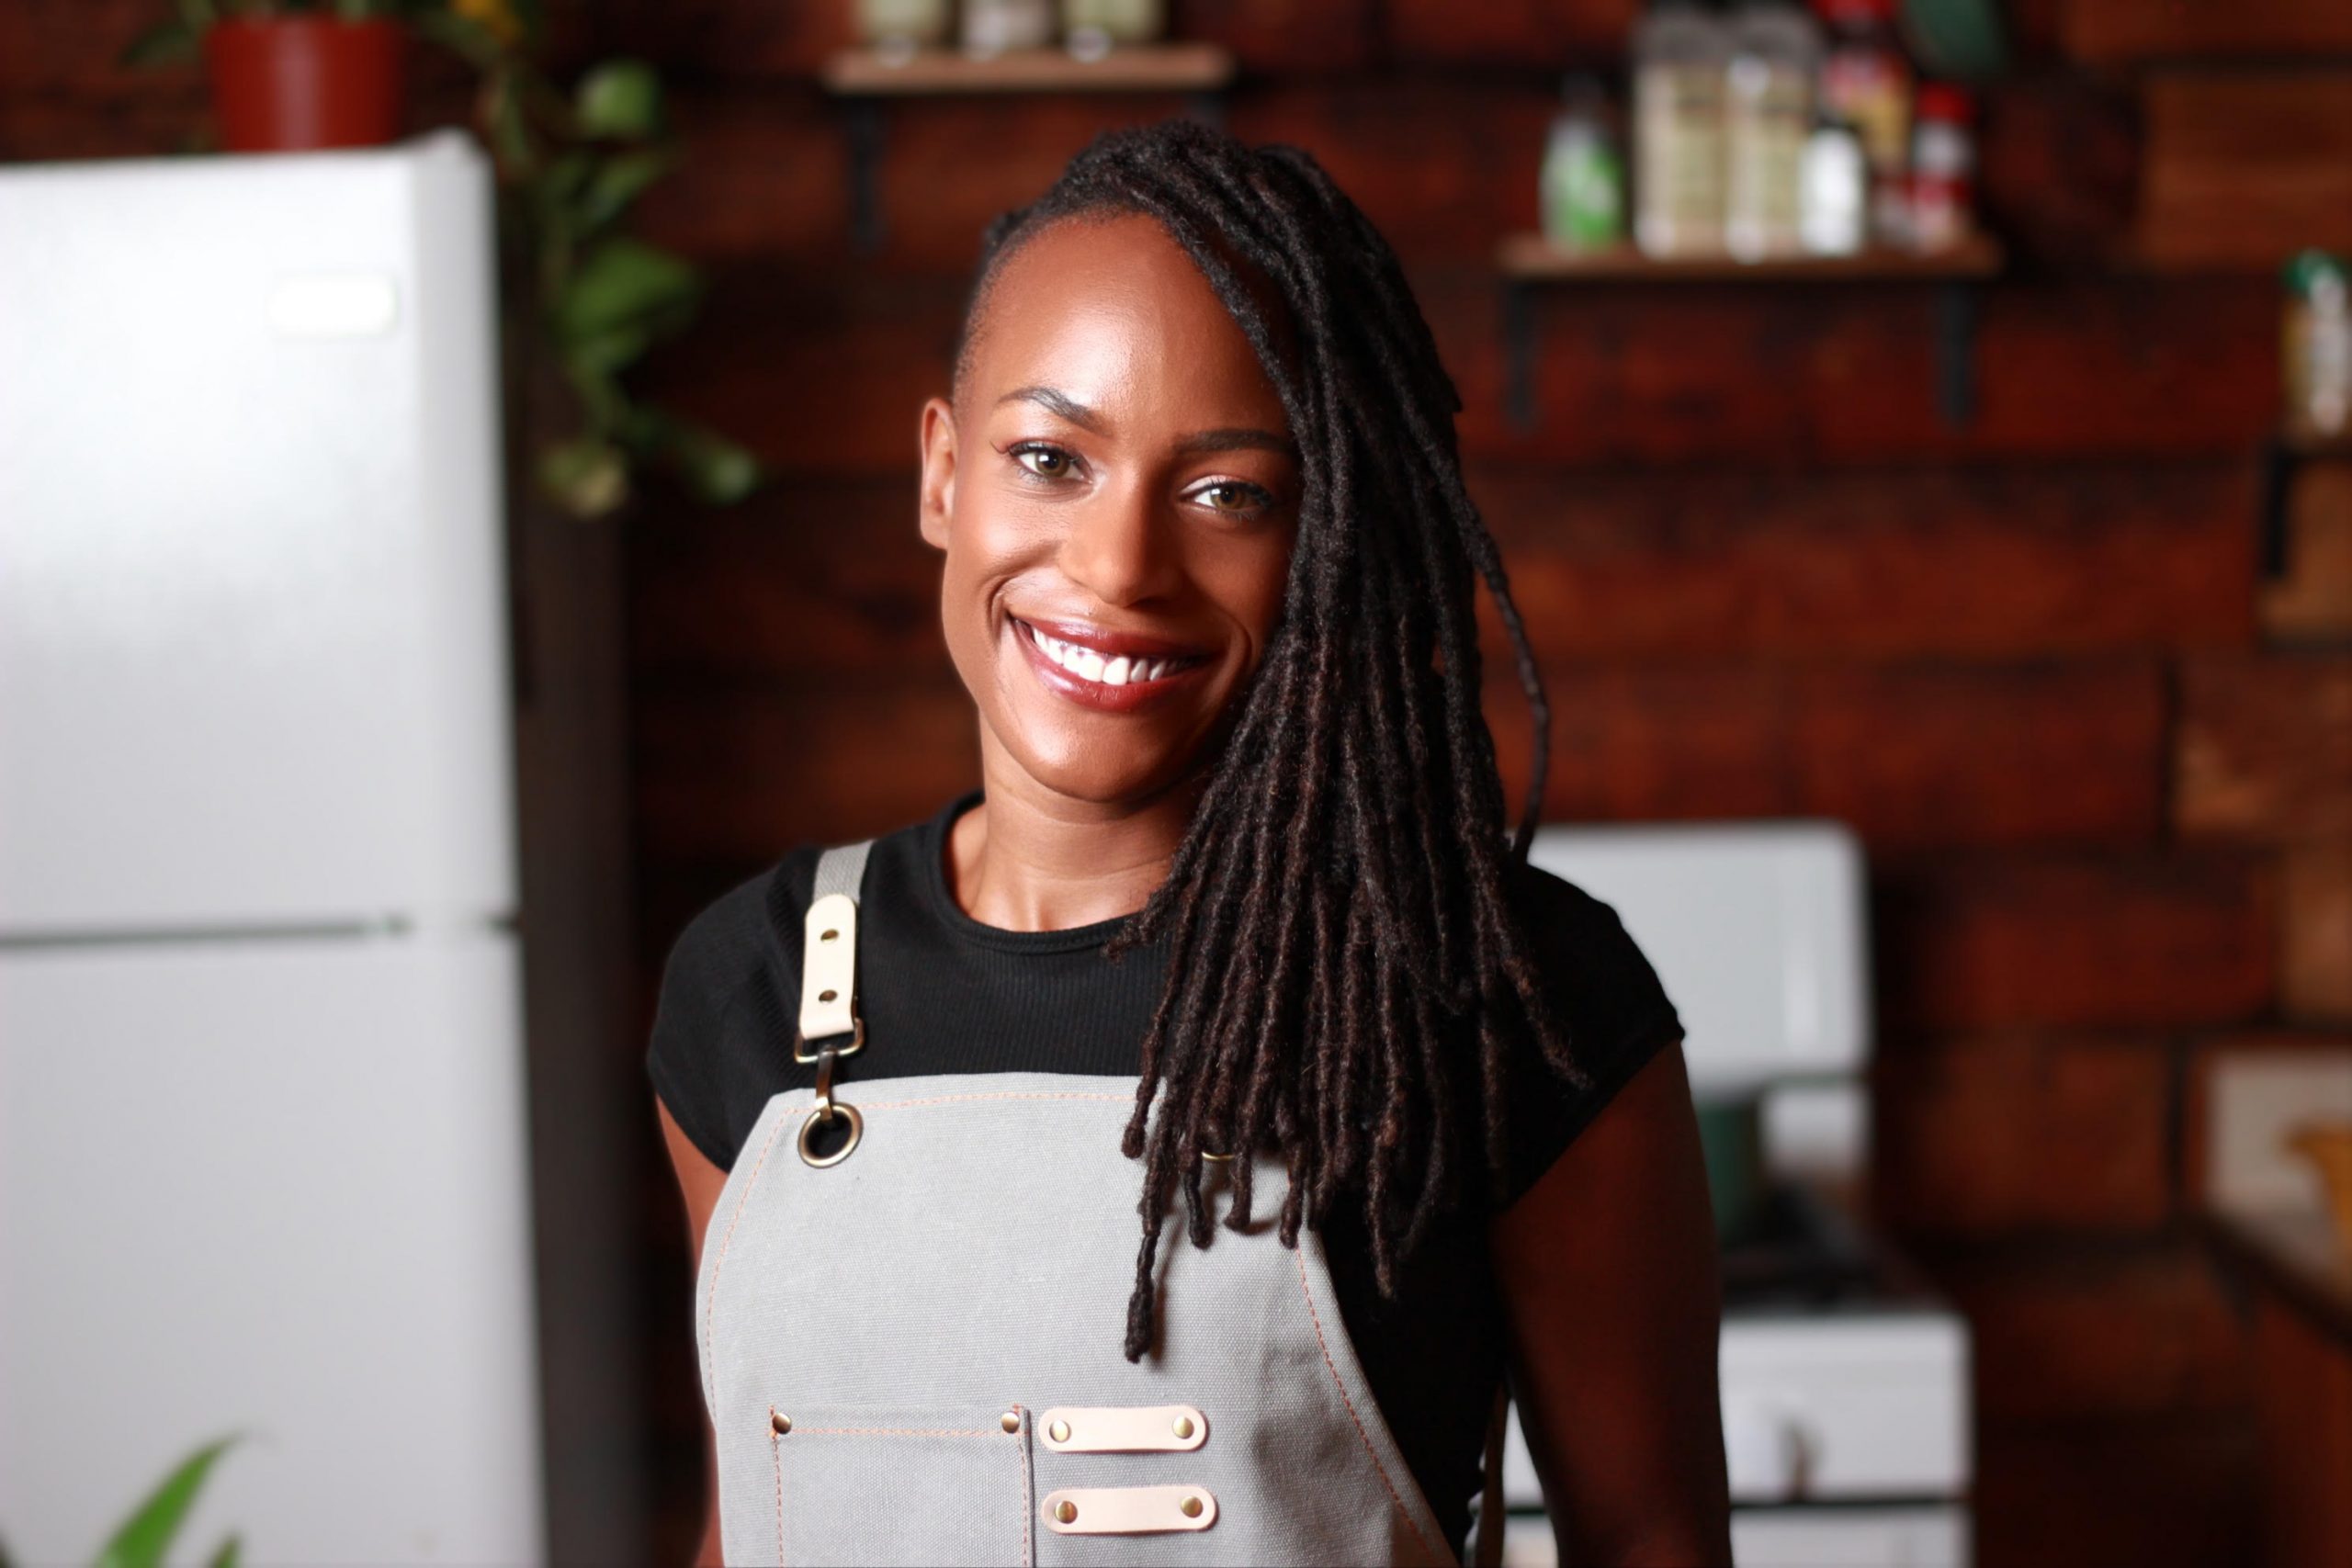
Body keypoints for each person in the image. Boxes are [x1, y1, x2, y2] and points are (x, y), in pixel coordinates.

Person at [650, 118, 1729, 1567]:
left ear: (1331, 538)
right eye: (1049, 458)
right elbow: (751, 1522)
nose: (1118, 568)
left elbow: (1652, 1542)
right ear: (940, 477)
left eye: (1231, 493)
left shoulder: (1497, 1001)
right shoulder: (753, 989)